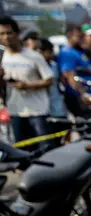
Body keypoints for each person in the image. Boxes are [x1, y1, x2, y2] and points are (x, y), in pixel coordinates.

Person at [0, 17, 53, 152]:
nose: (6, 37)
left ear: (17, 33)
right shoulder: (2, 57)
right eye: (2, 34)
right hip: (16, 111)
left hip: (37, 111)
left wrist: (27, 85)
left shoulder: (33, 56)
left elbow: (49, 80)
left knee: (44, 150)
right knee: (23, 153)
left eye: (9, 33)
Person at [58, 24, 91, 118]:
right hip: (79, 97)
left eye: (82, 36)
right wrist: (83, 94)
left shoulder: (80, 51)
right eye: (78, 36)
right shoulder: (67, 53)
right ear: (69, 36)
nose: (81, 39)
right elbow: (69, 75)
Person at [38, 39, 68, 130]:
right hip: (43, 109)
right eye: (48, 52)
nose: (51, 55)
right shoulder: (36, 67)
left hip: (58, 106)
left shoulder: (54, 65)